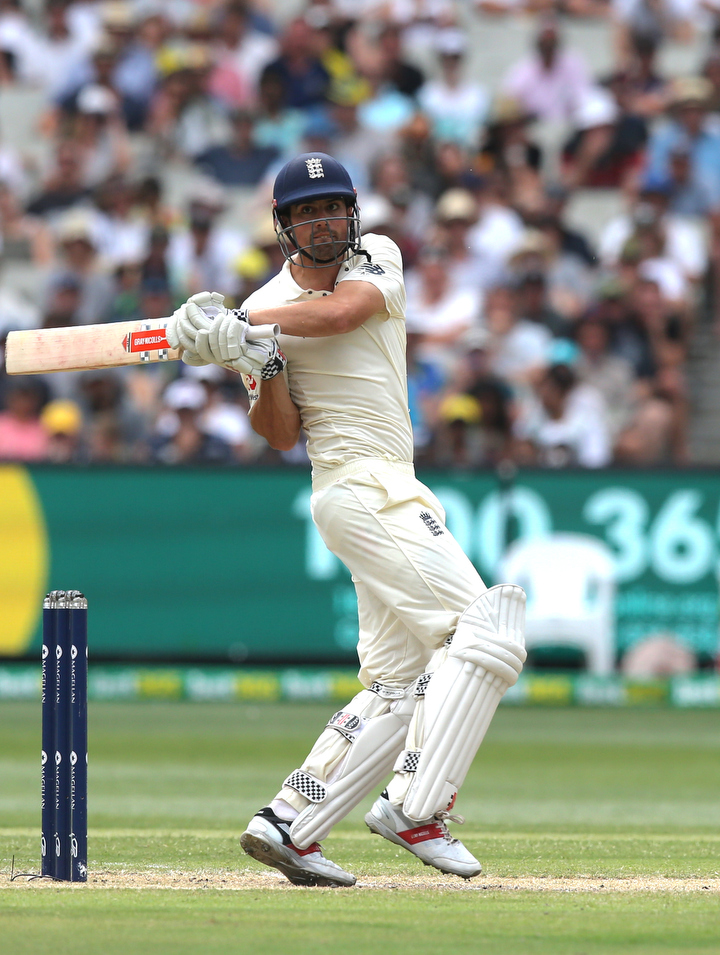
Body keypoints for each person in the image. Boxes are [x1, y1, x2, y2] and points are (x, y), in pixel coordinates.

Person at [165, 153, 527, 886]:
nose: (325, 222)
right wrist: (260, 364)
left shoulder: (375, 260)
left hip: (385, 485)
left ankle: (290, 823)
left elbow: (343, 313)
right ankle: (416, 807)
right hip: (356, 485)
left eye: (335, 207)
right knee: (487, 627)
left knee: (398, 682)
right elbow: (277, 431)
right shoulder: (266, 305)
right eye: (309, 212)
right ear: (286, 225)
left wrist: (239, 322)